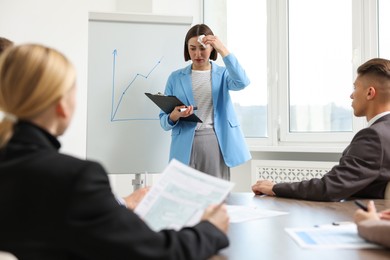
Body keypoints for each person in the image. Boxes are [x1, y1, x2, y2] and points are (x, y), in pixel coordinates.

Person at [0, 43, 229, 259]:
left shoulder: (11, 164)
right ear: (62, 104)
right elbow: (159, 253)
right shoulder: (76, 178)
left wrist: (119, 203)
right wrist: (210, 229)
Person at [252, 58, 390, 202]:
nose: (351, 95)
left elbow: (329, 188)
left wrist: (275, 188)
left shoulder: (374, 136)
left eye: (355, 88)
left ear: (370, 93)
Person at [159, 24, 251, 180]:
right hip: (183, 143)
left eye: (203, 48)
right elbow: (163, 121)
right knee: (182, 195)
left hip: (214, 141)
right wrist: (174, 116)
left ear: (212, 48)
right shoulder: (175, 78)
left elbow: (242, 82)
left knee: (214, 196)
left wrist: (223, 50)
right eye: (192, 48)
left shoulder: (223, 75)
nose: (197, 54)